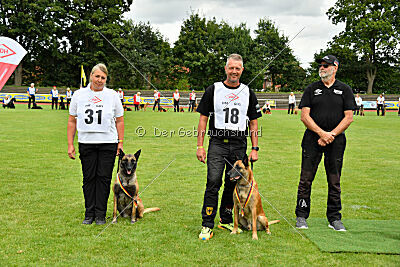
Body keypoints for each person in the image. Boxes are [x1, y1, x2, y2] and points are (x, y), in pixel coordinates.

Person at [196, 54, 262, 240]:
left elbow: (254, 123)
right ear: (226, 69)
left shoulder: (248, 92)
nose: (234, 71)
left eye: (238, 68)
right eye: (231, 67)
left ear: (242, 70)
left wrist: (255, 148)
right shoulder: (213, 89)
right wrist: (200, 145)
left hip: (239, 144)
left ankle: (225, 219)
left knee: (232, 182)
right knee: (213, 182)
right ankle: (207, 224)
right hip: (217, 143)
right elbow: (203, 119)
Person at [295, 55, 356, 232]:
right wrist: (322, 133)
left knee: (334, 180)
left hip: (336, 141)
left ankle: (335, 218)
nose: (322, 68)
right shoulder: (311, 89)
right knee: (306, 179)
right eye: (321, 65)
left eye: (326, 65)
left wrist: (332, 135)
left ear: (335, 68)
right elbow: (304, 116)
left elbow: (349, 117)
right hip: (312, 139)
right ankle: (301, 215)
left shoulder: (345, 89)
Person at [67, 63, 124, 225]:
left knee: (104, 179)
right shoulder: (79, 95)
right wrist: (70, 144)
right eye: (97, 76)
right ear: (91, 76)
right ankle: (89, 213)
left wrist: (120, 142)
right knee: (89, 178)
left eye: (103, 78)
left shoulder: (112, 95)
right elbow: (72, 121)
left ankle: (100, 214)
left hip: (108, 143)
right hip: (86, 142)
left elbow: (120, 121)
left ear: (106, 79)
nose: (99, 80)